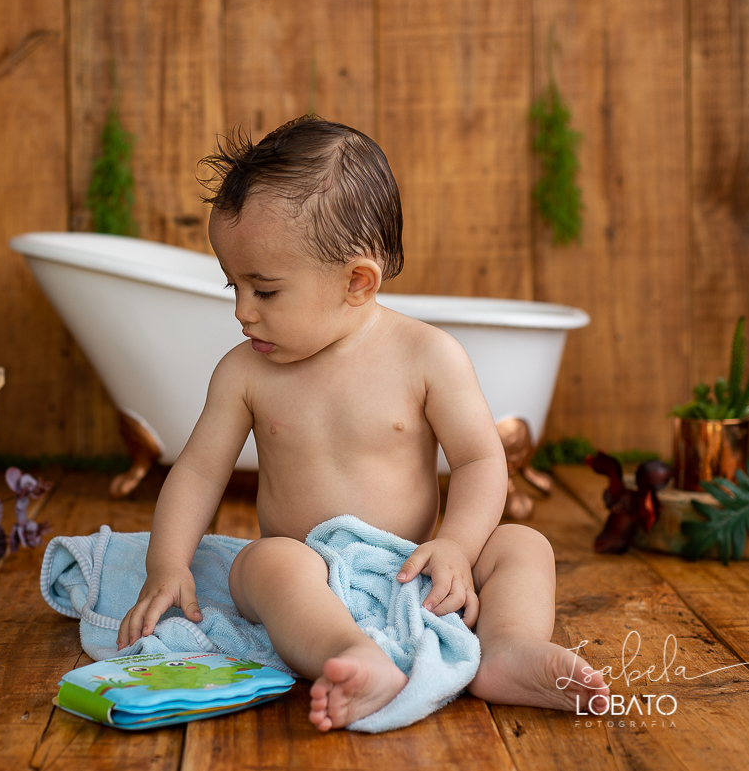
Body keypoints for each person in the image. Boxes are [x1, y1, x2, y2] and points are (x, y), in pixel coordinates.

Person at [117, 115, 610, 731]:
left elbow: (483, 461)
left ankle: (508, 648)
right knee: (264, 564)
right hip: (309, 571)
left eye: (265, 291)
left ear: (357, 281)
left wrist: (455, 546)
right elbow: (195, 472)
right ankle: (350, 653)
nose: (243, 311)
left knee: (522, 545)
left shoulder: (428, 357)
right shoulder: (244, 373)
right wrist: (167, 566)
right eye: (232, 285)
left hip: (415, 567)